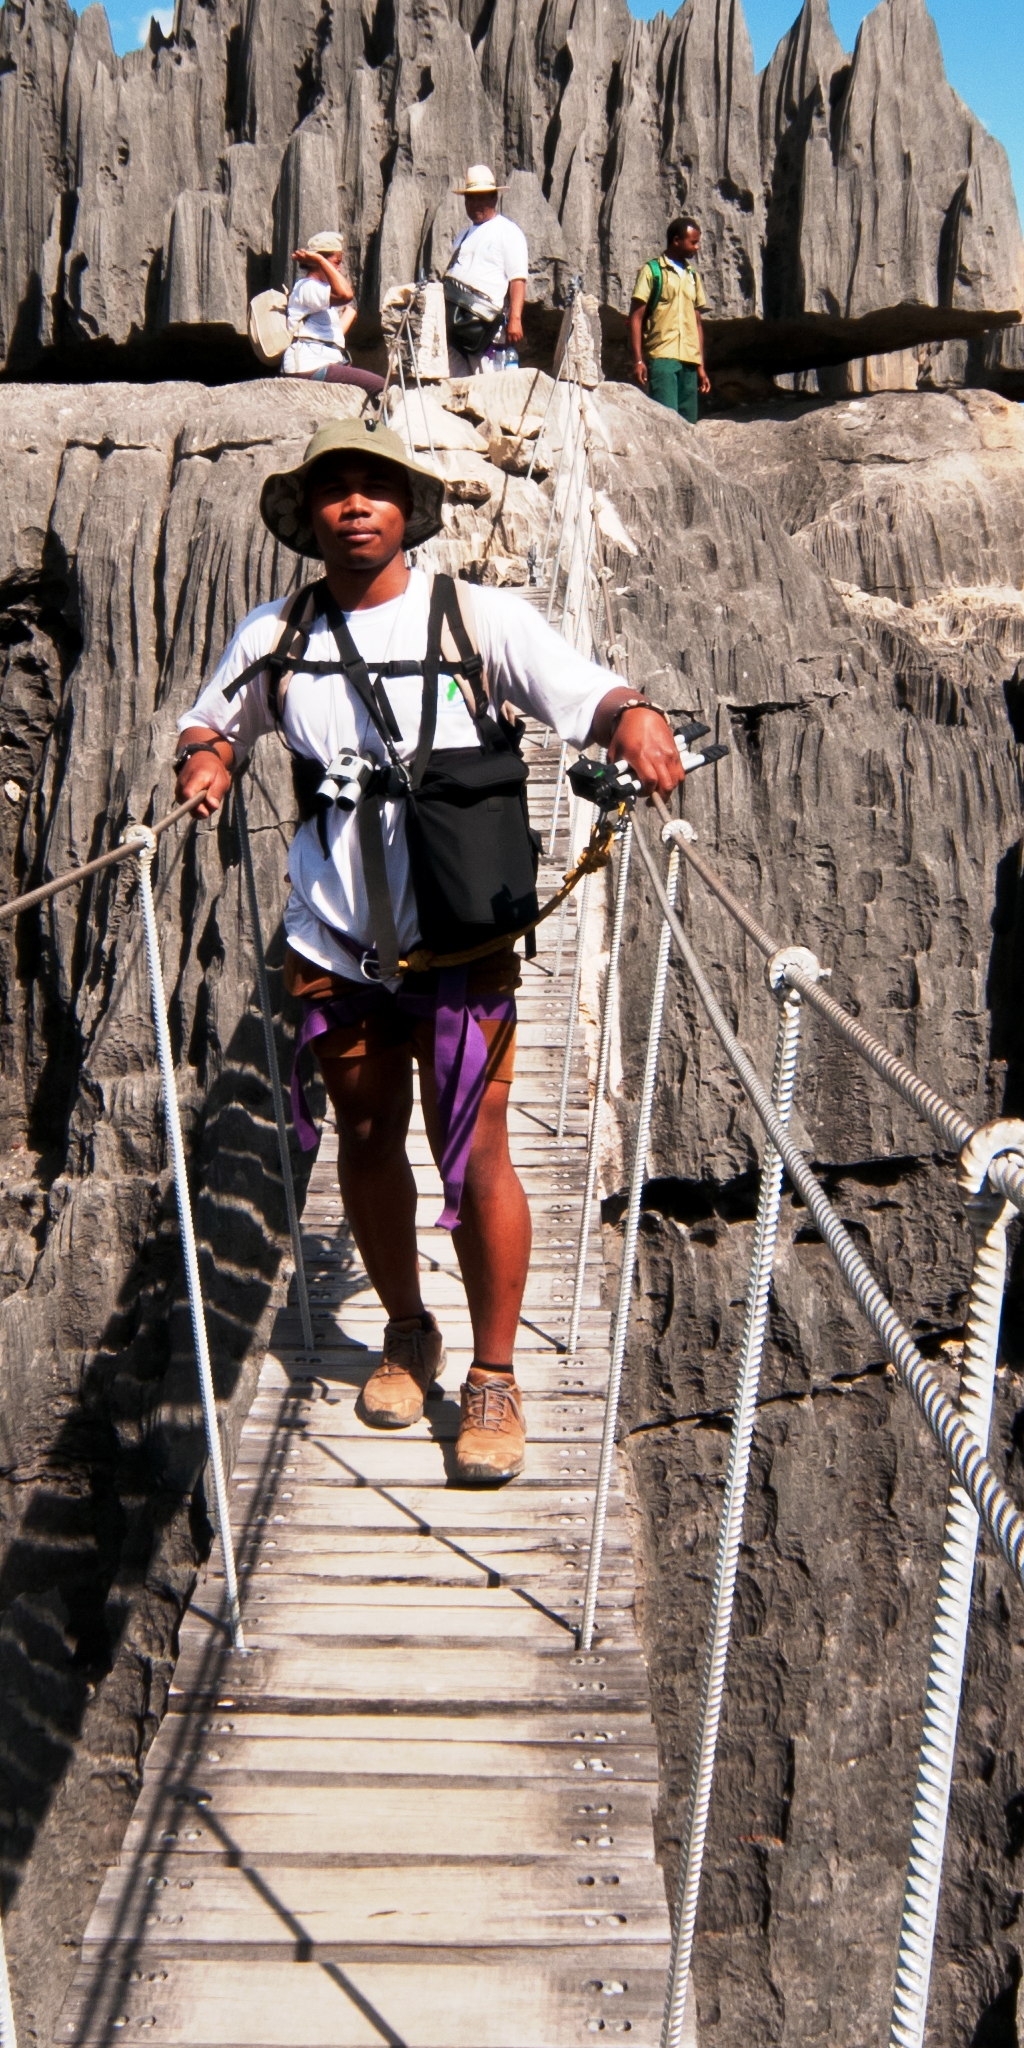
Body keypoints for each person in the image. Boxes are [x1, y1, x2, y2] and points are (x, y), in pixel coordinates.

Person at [172, 416, 685, 1483]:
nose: (355, 504)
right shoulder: (276, 634)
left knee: (477, 1146)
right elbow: (213, 720)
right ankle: (407, 1330)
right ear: (307, 518)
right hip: (333, 937)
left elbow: (582, 692)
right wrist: (208, 761)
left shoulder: (477, 618)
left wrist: (631, 719)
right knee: (365, 1131)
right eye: (334, 491)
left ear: (407, 507)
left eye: (375, 487)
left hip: (460, 938)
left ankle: (493, 1375)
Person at [442, 164, 531, 376]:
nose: (475, 204)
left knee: (489, 386)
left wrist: (516, 320)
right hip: (456, 324)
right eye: (471, 198)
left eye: (481, 197)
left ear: (494, 198)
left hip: (487, 325)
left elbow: (517, 279)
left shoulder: (508, 231)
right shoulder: (462, 236)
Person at [628, 214, 709, 421]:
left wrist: (700, 366)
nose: (696, 248)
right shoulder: (652, 271)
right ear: (676, 240)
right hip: (662, 356)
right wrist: (638, 360)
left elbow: (697, 323)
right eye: (693, 242)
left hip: (689, 360)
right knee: (666, 421)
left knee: (689, 423)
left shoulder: (693, 276)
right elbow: (636, 318)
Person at [281, 229, 383, 393]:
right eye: (336, 262)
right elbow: (345, 294)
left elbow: (330, 336)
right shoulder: (307, 287)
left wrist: (349, 315)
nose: (339, 269)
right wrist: (321, 261)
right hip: (310, 364)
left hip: (320, 362)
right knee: (380, 386)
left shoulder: (318, 292)